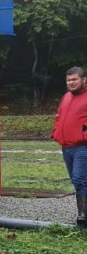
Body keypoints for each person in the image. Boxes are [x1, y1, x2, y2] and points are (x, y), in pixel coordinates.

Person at [52, 67, 87, 228]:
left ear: (83, 80)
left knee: (80, 179)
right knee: (76, 180)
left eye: (74, 79)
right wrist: (56, 131)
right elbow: (59, 116)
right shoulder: (66, 97)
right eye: (68, 80)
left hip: (82, 146)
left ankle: (83, 216)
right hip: (66, 146)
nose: (71, 83)